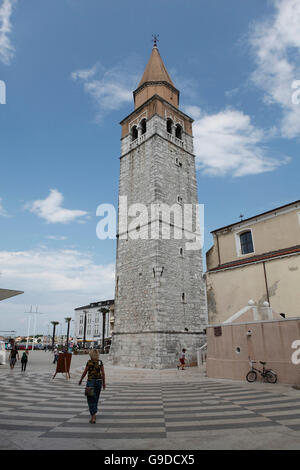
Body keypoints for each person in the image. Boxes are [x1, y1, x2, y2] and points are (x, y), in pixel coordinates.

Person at [78, 349, 106, 424]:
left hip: (91, 382)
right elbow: (103, 373)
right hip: (99, 382)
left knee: (90, 399)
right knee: (96, 398)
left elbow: (85, 372)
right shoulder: (100, 362)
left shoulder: (89, 362)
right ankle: (94, 413)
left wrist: (81, 379)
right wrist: (104, 383)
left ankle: (93, 416)